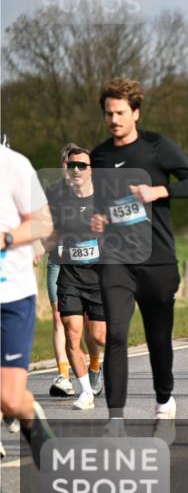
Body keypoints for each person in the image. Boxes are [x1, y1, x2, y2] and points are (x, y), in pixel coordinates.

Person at [89, 78, 188, 427]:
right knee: (117, 335)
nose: (114, 120)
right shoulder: (99, 156)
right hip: (116, 258)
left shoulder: (157, 147)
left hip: (157, 258)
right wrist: (95, 219)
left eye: (120, 112)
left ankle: (164, 397)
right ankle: (115, 418)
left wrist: (158, 192)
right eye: (109, 113)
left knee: (157, 337)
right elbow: (97, 204)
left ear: (135, 113)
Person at [1, 142, 57, 471]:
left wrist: (6, 238)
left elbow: (43, 223)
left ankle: (29, 418)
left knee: (9, 397)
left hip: (11, 297)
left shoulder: (14, 165)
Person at [45, 146, 107, 410]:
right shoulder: (58, 199)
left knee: (99, 337)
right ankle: (84, 391)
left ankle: (95, 365)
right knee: (71, 332)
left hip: (98, 277)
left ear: (91, 169)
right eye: (73, 165)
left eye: (83, 165)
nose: (77, 170)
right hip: (69, 275)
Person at [44, 143, 77, 397]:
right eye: (66, 164)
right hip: (57, 259)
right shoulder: (52, 192)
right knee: (58, 317)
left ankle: (93, 366)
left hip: (83, 262)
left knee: (84, 324)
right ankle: (63, 375)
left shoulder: (90, 191)